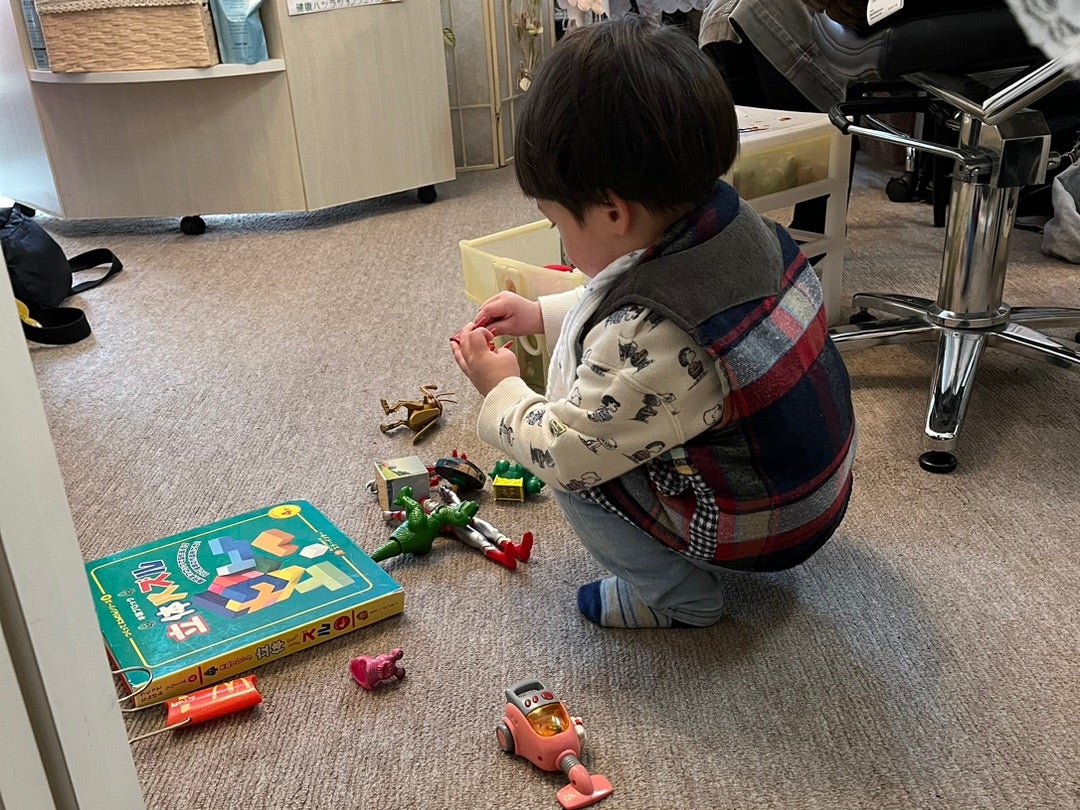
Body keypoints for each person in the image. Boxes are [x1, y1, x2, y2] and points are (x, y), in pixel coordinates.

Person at [450, 14, 857, 629]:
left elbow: (565, 450)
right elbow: (629, 298)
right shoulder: (735, 224)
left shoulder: (653, 333)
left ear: (613, 212)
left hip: (771, 525)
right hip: (813, 485)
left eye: (559, 225)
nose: (561, 243)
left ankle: (678, 598)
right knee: (616, 421)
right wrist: (541, 314)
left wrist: (502, 389)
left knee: (569, 465)